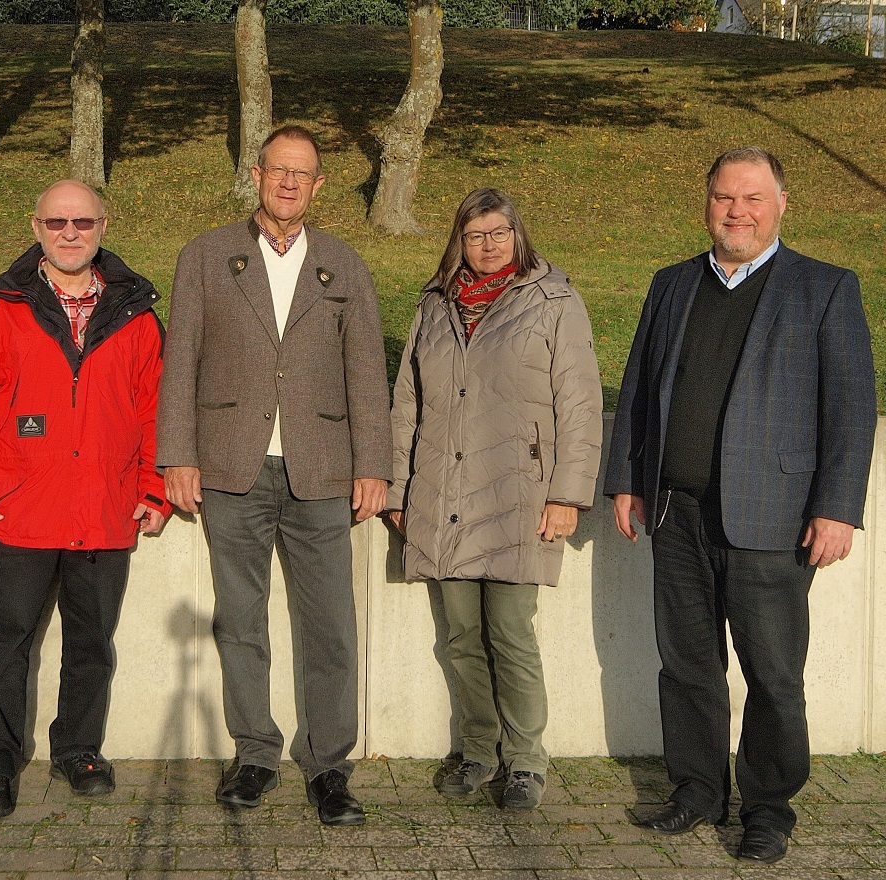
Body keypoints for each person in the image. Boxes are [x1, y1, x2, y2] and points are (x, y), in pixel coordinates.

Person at [605, 147, 876, 864]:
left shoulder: (825, 288)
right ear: (707, 203)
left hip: (776, 520)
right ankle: (696, 791)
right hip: (676, 512)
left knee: (773, 674)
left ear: (782, 204)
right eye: (725, 197)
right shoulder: (672, 285)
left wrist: (839, 507)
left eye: (753, 198)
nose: (737, 211)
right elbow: (637, 387)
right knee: (687, 665)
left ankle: (767, 809)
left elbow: (851, 409)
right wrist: (626, 479)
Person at [157, 125, 392, 826]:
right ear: (256, 175)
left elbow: (366, 373)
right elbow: (182, 361)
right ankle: (255, 754)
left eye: (303, 174)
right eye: (278, 171)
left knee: (329, 626)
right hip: (231, 462)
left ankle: (328, 767)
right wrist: (178, 454)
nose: (289, 183)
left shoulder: (344, 265)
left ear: (319, 187)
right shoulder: (206, 256)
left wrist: (373, 466)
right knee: (241, 619)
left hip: (323, 470)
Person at [0, 180, 171, 822]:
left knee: (92, 640)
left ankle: (78, 750)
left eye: (84, 221)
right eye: (57, 221)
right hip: (18, 512)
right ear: (36, 226)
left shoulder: (137, 316)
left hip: (105, 509)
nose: (71, 233)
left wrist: (154, 489)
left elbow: (157, 413)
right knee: (6, 643)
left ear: (103, 225)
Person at [386, 188, 602, 810]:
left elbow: (581, 405)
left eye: (498, 234)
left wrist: (567, 495)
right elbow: (408, 404)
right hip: (442, 493)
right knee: (460, 636)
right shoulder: (434, 307)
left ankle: (527, 763)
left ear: (518, 235)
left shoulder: (555, 302)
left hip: (520, 493)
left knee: (509, 633)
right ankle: (479, 750)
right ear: (459, 240)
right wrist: (399, 487)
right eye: (475, 235)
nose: (487, 245)